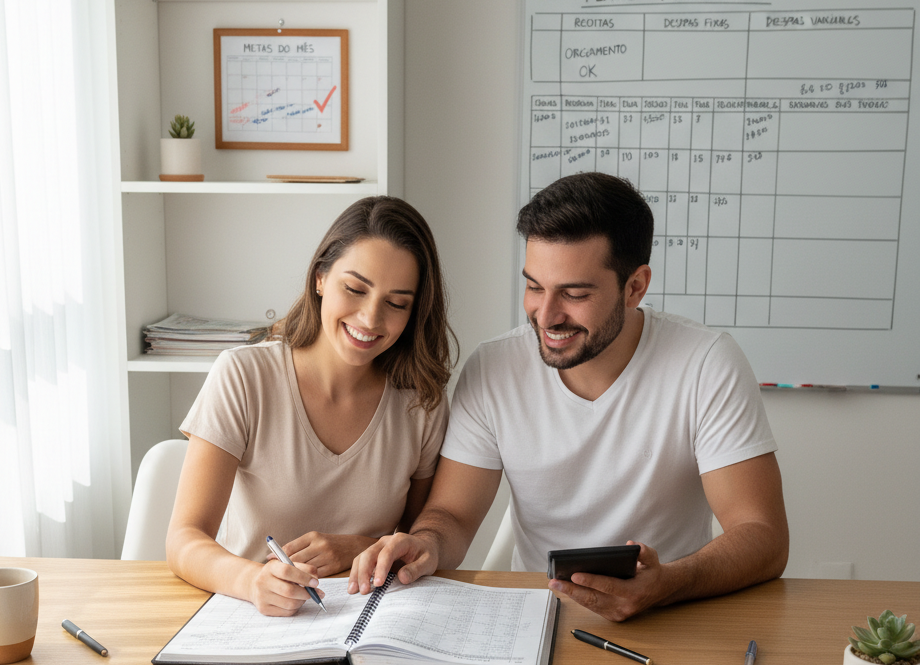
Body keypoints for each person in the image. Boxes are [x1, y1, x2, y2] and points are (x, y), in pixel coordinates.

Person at [349, 172, 788, 622]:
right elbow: (452, 515)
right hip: (541, 619)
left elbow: (763, 535)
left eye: (574, 293)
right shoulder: (493, 369)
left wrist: (668, 584)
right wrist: (426, 542)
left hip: (673, 614)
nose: (547, 315)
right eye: (534, 286)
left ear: (635, 286)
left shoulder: (706, 363)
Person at [166, 196, 456, 616]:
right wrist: (251, 581)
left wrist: (359, 548)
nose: (371, 318)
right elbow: (183, 539)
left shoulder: (421, 403)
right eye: (355, 289)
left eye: (397, 303)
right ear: (320, 278)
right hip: (250, 614)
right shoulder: (243, 376)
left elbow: (415, 543)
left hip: (369, 622)